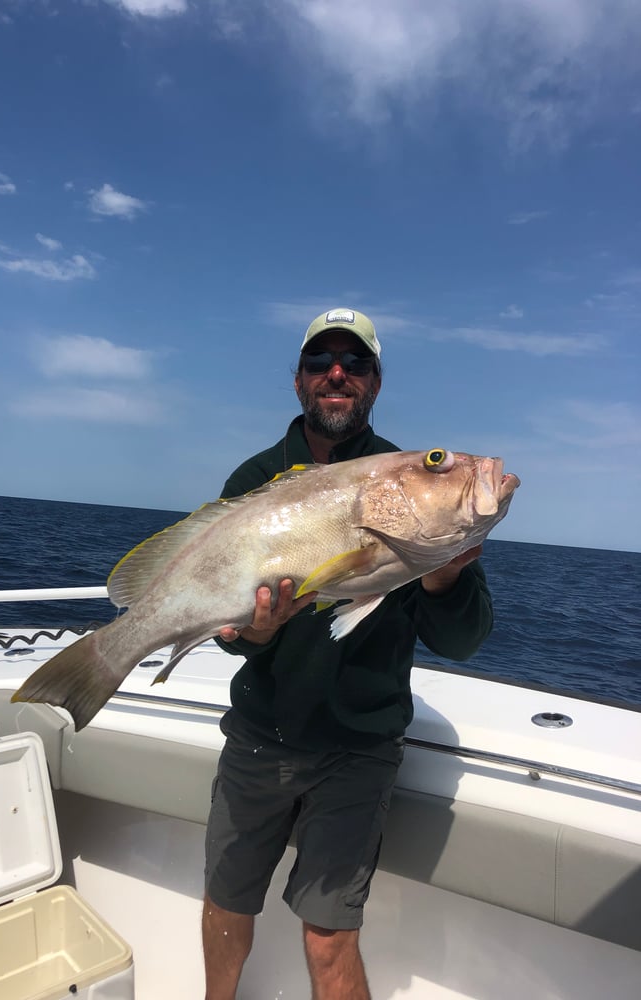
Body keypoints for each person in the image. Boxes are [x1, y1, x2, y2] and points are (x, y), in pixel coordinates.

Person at [201, 308, 493, 1000]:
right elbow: (233, 629)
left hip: (359, 749)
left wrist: (444, 571)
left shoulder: (411, 481)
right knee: (226, 904)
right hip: (259, 739)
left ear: (376, 382)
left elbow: (462, 639)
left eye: (355, 363)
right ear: (300, 380)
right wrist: (254, 633)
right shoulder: (255, 476)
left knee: (331, 935)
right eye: (321, 363)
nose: (338, 374)